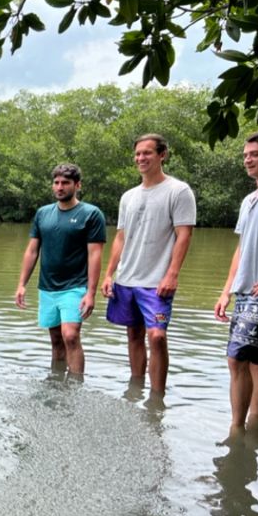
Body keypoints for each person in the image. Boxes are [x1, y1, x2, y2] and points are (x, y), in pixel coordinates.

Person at [101, 133, 197, 395]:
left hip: (156, 282)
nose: (140, 158)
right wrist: (109, 274)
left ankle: (157, 400)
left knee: (157, 336)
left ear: (162, 155)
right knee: (133, 335)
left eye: (147, 153)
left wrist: (172, 274)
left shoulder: (178, 191)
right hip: (126, 278)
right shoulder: (128, 196)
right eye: (137, 154)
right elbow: (121, 237)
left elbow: (184, 235)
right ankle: (135, 390)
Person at [15, 163, 106, 376]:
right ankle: (56, 383)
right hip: (47, 287)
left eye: (65, 183)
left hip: (75, 286)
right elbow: (32, 251)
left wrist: (91, 293)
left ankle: (75, 387)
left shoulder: (91, 214)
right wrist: (21, 284)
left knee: (71, 335)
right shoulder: (42, 214)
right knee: (56, 339)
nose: (59, 187)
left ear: (77, 185)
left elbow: (95, 255)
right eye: (56, 182)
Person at [214, 131, 258, 439]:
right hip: (245, 292)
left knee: (239, 358)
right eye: (246, 155)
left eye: (255, 154)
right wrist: (225, 290)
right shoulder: (249, 200)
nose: (248, 159)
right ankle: (248, 427)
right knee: (252, 361)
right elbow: (241, 248)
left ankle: (241, 430)